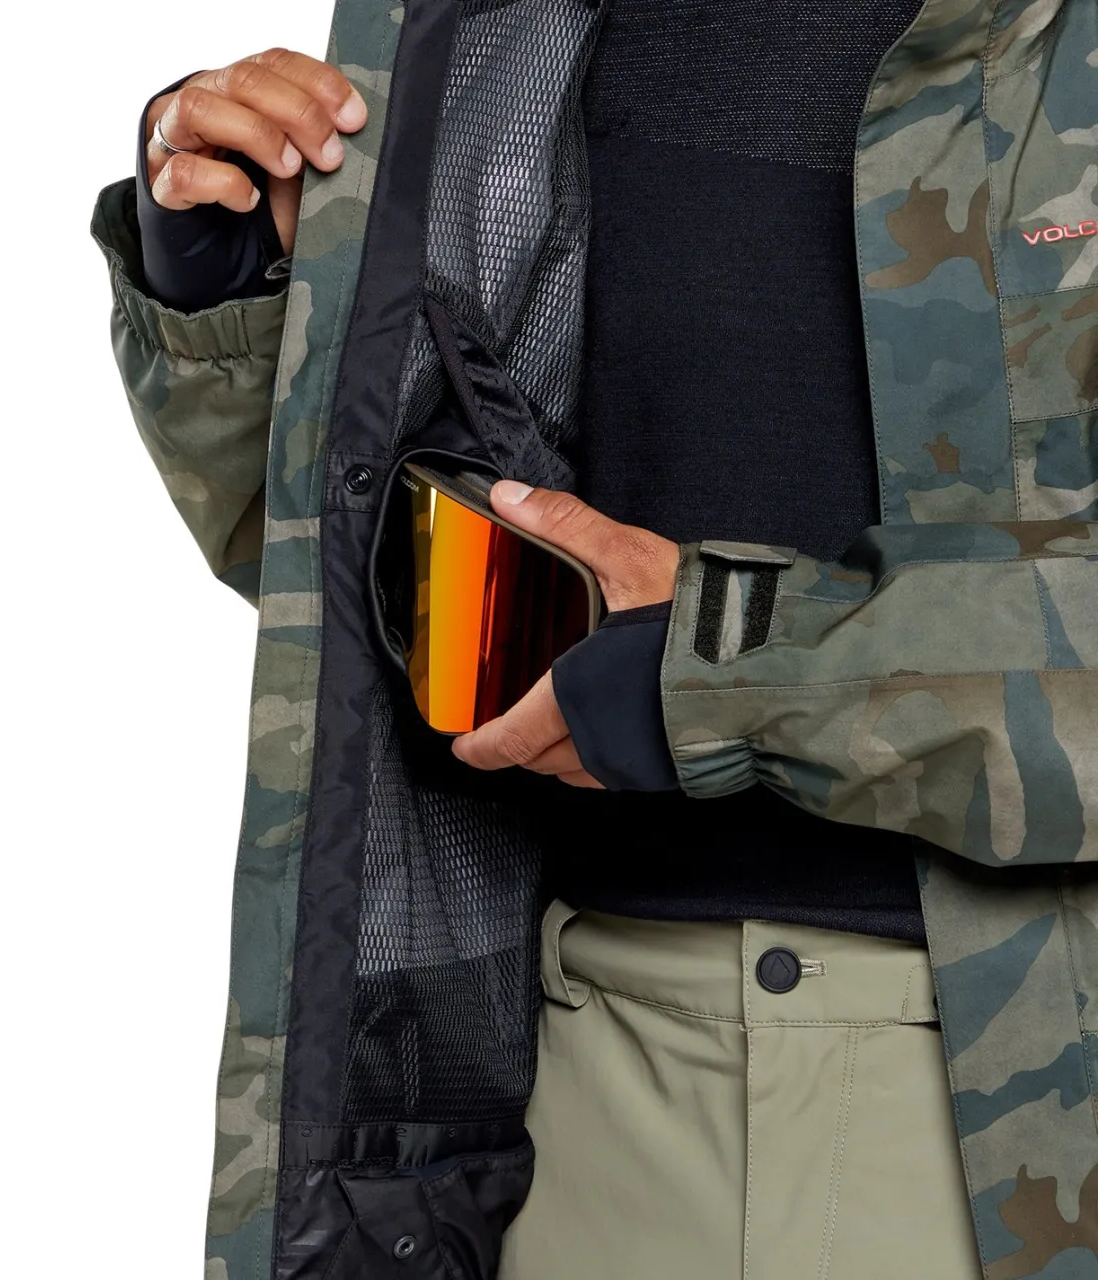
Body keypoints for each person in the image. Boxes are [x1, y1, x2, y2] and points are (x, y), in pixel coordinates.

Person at [93, 3, 1098, 1278]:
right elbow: (371, 592)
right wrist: (240, 297)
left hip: (1015, 1114)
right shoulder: (512, 25)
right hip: (558, 1100)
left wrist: (720, 660)